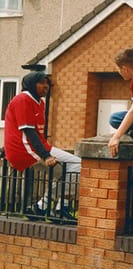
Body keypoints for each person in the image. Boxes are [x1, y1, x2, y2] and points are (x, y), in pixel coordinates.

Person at [2, 71, 82, 220]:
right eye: (42, 83)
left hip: (37, 146)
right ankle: (46, 207)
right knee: (68, 169)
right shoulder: (22, 99)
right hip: (24, 149)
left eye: (47, 83)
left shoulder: (39, 102)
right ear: (32, 84)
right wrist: (46, 156)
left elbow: (36, 133)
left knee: (73, 167)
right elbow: (28, 131)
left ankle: (53, 208)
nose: (46, 86)